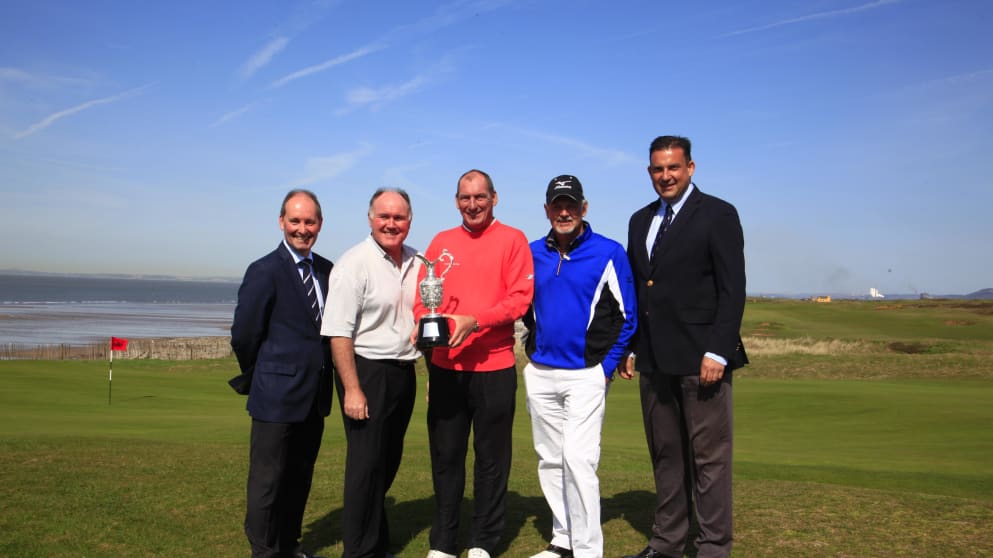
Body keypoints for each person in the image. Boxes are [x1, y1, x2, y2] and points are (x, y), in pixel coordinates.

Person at [618, 136, 748, 558]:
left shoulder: (718, 214)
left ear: (691, 167)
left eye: (673, 167)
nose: (665, 176)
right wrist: (634, 346)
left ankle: (713, 547)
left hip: (701, 358)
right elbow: (641, 288)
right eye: (658, 169)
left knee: (709, 460)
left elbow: (733, 289)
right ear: (649, 172)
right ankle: (668, 543)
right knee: (666, 455)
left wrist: (719, 350)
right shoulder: (640, 221)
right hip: (655, 359)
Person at [414, 169, 534, 558]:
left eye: (480, 197)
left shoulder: (513, 240)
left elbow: (520, 299)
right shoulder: (441, 242)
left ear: (494, 198)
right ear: (456, 201)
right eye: (465, 198)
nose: (472, 204)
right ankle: (444, 542)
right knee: (446, 459)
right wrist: (427, 332)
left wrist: (475, 321)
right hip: (447, 369)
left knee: (491, 461)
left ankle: (482, 540)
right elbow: (422, 300)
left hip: (495, 368)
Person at [523, 175, 637, 558]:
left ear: (584, 208)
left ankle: (588, 550)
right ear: (547, 210)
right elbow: (520, 308)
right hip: (540, 372)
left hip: (587, 374)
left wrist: (604, 368)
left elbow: (628, 316)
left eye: (571, 204)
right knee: (550, 460)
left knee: (578, 460)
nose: (565, 211)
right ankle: (563, 539)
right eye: (557, 205)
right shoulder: (531, 252)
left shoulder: (609, 251)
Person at [230, 189, 334, 558]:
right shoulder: (263, 271)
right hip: (274, 396)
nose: (302, 229)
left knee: (298, 478)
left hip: (315, 397)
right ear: (281, 222)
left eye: (309, 222)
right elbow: (244, 335)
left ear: (319, 225)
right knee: (267, 482)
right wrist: (263, 375)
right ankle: (264, 551)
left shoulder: (326, 270)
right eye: (295, 221)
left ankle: (289, 546)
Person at [321, 188, 421, 558]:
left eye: (399, 217)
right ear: (370, 219)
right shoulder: (353, 263)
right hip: (366, 371)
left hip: (403, 372)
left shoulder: (417, 261)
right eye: (384, 216)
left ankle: (375, 540)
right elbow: (338, 333)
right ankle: (359, 550)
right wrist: (352, 389)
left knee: (388, 461)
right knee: (364, 467)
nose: (391, 224)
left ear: (409, 221)